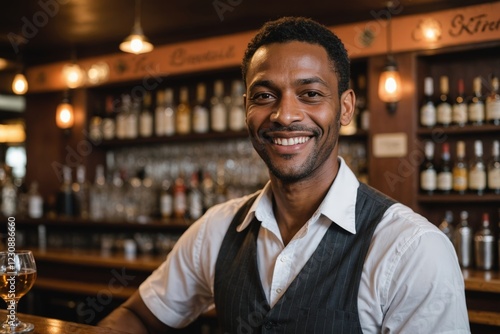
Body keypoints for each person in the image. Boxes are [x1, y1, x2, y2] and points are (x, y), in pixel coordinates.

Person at [98, 17, 470, 333]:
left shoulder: (413, 248)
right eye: (264, 96)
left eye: (309, 93)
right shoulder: (217, 229)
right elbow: (138, 316)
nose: (284, 115)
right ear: (245, 108)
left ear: (345, 108)